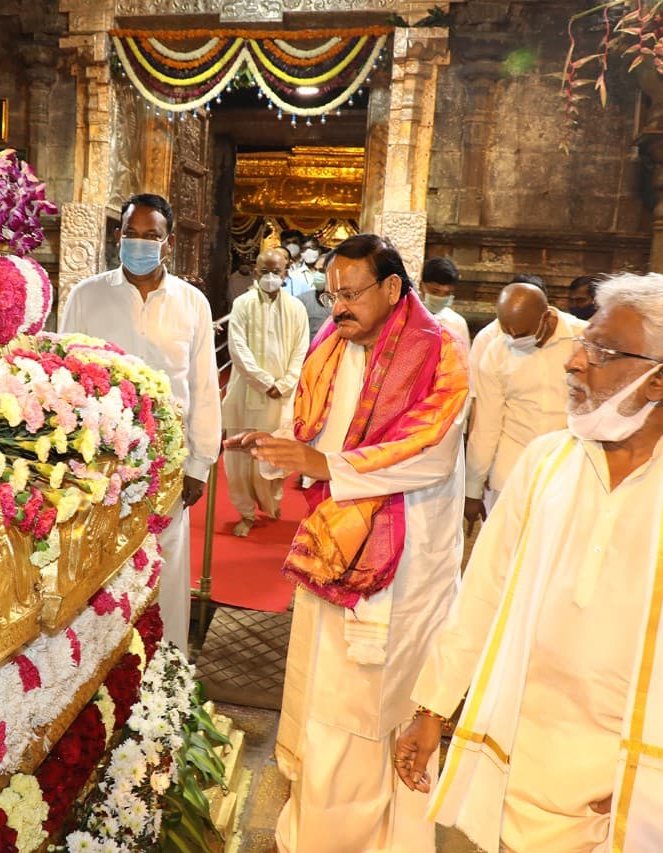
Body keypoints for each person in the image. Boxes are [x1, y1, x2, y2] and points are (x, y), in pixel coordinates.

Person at [395, 273, 663, 853]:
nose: (574, 363)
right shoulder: (545, 462)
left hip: (639, 786)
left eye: (600, 351)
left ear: (662, 378)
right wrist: (431, 705)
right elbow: (482, 592)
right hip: (519, 762)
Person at [225, 233, 468, 852]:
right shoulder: (331, 345)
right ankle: (313, 828)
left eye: (351, 294)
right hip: (331, 547)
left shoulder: (438, 352)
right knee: (322, 697)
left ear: (392, 288)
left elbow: (429, 458)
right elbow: (308, 427)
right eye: (332, 294)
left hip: (400, 565)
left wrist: (325, 463)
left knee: (372, 711)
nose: (337, 307)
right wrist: (277, 448)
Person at [60, 193, 220, 654]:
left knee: (166, 565)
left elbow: (204, 387)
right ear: (118, 236)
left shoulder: (192, 303)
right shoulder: (87, 295)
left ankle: (165, 670)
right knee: (99, 566)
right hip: (102, 461)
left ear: (167, 243)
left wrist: (200, 464)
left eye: (152, 236)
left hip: (168, 461)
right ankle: (98, 666)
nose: (140, 243)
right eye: (132, 234)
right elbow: (66, 374)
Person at [464, 281, 585, 528]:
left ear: (547, 317)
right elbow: (486, 424)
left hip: (568, 472)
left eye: (521, 334)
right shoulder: (496, 351)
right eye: (507, 332)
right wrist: (472, 490)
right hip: (511, 474)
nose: (513, 340)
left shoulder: (583, 338)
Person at [222, 248, 310, 537]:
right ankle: (246, 514)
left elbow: (301, 350)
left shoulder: (297, 309)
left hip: (281, 397)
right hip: (245, 394)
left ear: (286, 272)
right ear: (256, 272)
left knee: (275, 457)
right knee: (240, 462)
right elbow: (238, 349)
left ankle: (272, 503)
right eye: (265, 272)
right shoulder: (243, 304)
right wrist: (264, 382)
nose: (271, 277)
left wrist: (283, 384)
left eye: (276, 271)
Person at [420, 256, 470, 351]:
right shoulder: (405, 317)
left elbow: (463, 360)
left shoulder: (457, 324)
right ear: (421, 286)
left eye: (447, 293)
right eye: (434, 292)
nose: (440, 297)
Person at [295, 250, 331, 341]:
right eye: (316, 270)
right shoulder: (302, 300)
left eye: (322, 271)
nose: (317, 274)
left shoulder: (348, 302)